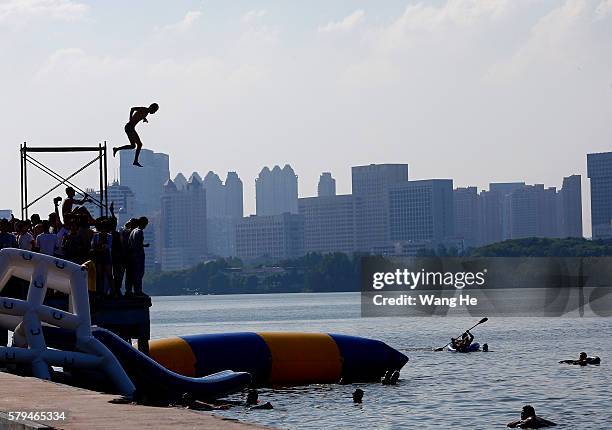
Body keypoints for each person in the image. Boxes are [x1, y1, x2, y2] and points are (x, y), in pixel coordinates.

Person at [127, 216, 149, 296]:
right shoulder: (139, 232)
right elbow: (138, 245)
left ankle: (131, 290)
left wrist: (143, 245)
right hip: (138, 256)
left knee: (132, 274)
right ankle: (138, 291)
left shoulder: (133, 231)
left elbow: (131, 244)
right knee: (139, 274)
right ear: (144, 223)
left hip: (132, 256)